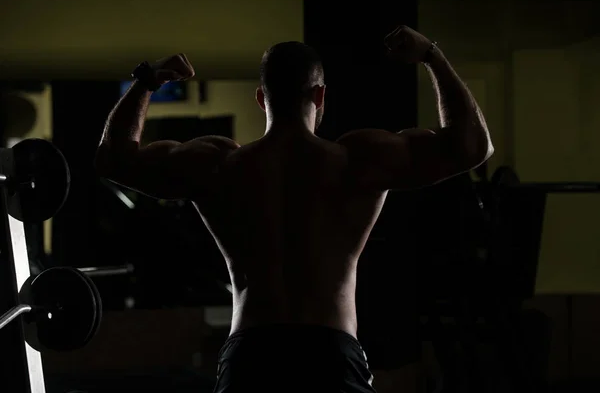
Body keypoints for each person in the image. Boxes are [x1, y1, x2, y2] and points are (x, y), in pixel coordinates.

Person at [95, 25, 493, 393]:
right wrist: (432, 56)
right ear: (320, 96)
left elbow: (113, 159)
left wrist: (146, 82)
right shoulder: (359, 159)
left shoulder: (218, 164)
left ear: (260, 98)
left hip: (251, 353)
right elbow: (473, 146)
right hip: (330, 351)